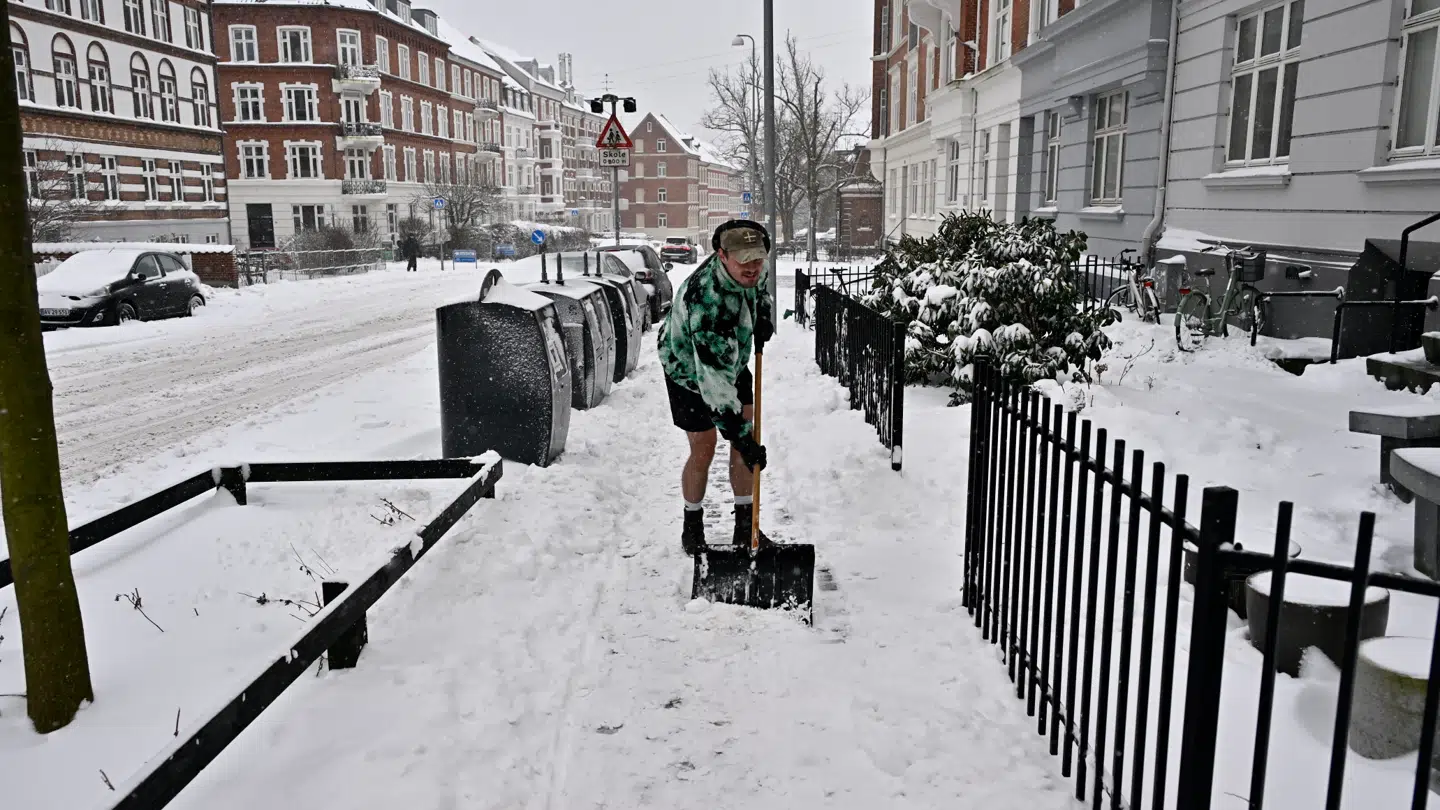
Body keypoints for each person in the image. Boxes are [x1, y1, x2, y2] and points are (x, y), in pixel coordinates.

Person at [658, 219, 776, 555]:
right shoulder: (705, 303)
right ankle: (692, 525)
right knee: (705, 447)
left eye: (758, 259)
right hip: (688, 370)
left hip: (730, 356)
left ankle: (745, 528)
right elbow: (715, 387)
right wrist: (738, 434)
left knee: (746, 442)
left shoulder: (753, 269)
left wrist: (762, 314)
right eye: (745, 261)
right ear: (722, 256)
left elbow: (760, 288)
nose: (753, 268)